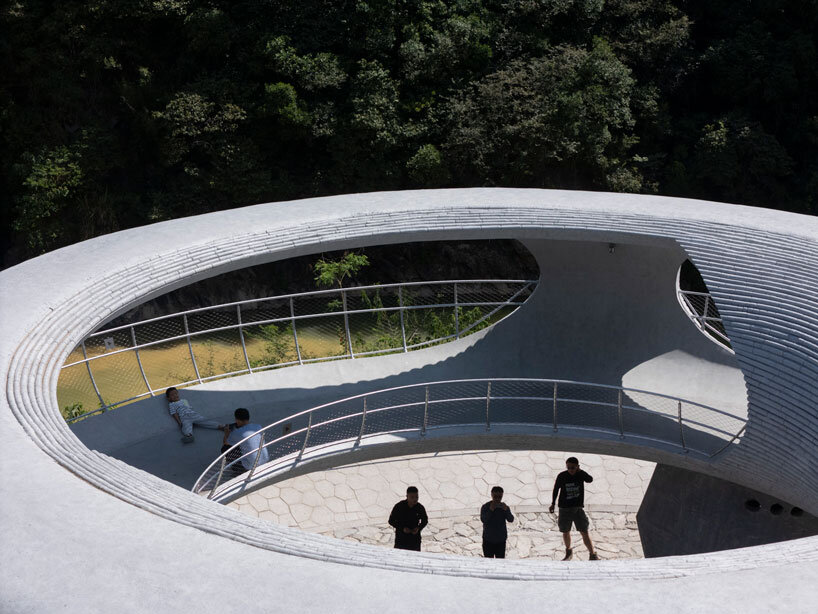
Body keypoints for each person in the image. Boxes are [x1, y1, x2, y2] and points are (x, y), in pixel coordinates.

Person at [548, 456, 600, 561]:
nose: (570, 470)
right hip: (564, 508)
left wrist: (580, 471)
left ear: (577, 467)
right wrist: (553, 503)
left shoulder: (580, 475)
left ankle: (593, 554)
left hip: (577, 509)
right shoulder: (562, 476)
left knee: (584, 531)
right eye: (568, 467)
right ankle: (568, 551)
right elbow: (556, 489)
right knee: (565, 531)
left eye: (573, 467)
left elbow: (590, 479)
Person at [223, 408, 269, 474]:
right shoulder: (258, 426)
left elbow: (225, 442)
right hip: (265, 460)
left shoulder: (238, 432)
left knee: (225, 449)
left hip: (251, 466)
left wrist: (226, 433)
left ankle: (239, 472)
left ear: (237, 420)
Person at [388, 486, 428, 551]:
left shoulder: (420, 508)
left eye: (417, 497)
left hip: (415, 540)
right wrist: (402, 528)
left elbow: (425, 520)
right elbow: (391, 521)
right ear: (407, 496)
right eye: (412, 497)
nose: (415, 499)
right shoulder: (399, 506)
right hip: (401, 539)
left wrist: (418, 528)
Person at [480, 486, 514, 558]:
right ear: (491, 495)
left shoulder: (504, 507)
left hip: (500, 541)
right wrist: (491, 510)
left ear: (502, 496)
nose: (497, 499)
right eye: (495, 496)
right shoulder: (486, 507)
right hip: (488, 540)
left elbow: (511, 519)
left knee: (500, 563)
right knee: (488, 563)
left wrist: (506, 511)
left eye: (499, 497)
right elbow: (483, 520)